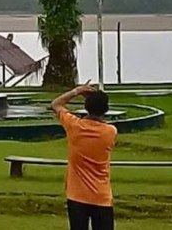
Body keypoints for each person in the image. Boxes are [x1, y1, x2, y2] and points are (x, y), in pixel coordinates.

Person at [52, 81, 117, 230]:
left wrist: (76, 91)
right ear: (105, 110)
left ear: (86, 107)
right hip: (101, 196)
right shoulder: (110, 132)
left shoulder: (74, 126)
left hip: (76, 195)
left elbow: (56, 104)